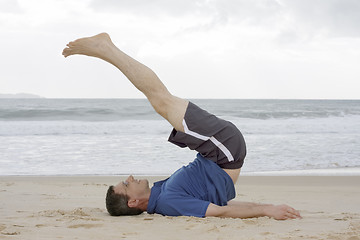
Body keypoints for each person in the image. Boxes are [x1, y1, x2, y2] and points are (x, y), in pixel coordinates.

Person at [62, 33, 302, 220]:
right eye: (126, 184)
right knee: (161, 100)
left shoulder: (162, 196)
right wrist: (267, 211)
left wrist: (267, 207)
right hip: (223, 150)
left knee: (161, 101)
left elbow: (219, 206)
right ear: (133, 202)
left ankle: (105, 50)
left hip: (218, 152)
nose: (130, 177)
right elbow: (220, 212)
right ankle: (106, 48)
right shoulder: (169, 202)